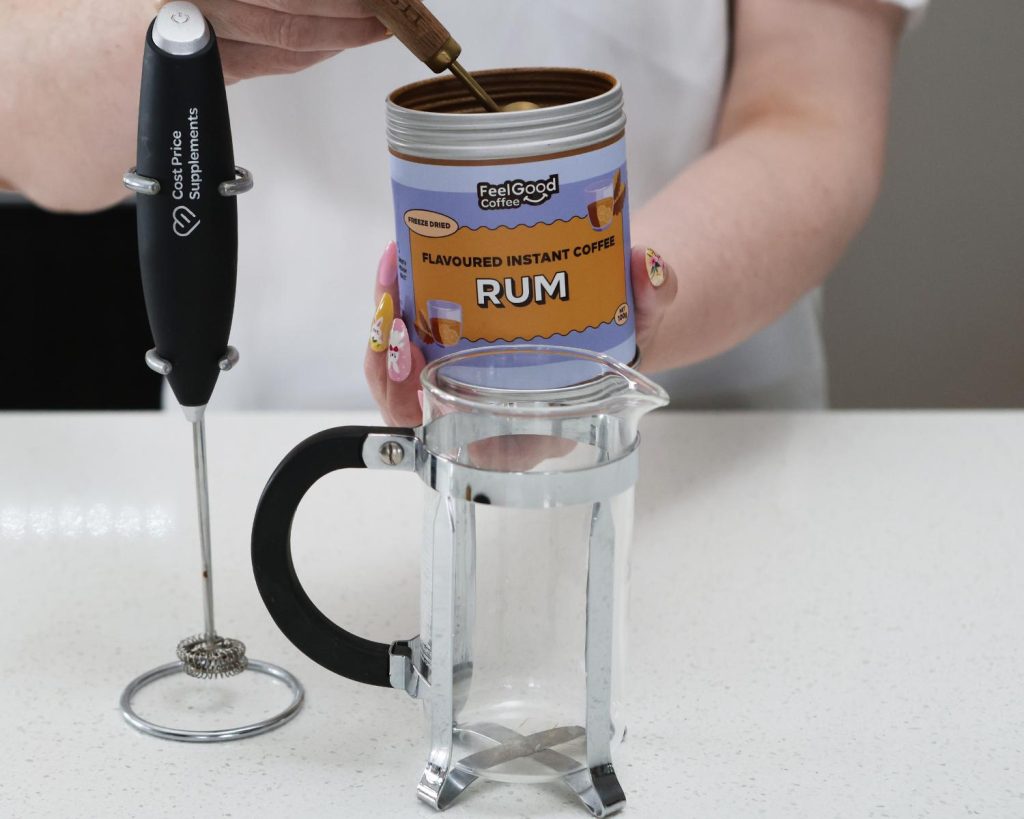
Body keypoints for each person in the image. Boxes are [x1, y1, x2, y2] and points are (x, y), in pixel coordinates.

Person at [0, 0, 927, 422]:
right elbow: (25, 119)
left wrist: (593, 337)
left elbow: (808, 113)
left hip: (690, 440)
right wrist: (179, 25)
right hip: (269, 446)